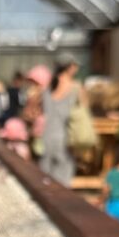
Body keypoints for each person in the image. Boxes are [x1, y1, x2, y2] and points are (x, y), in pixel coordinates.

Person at [40, 54, 84, 186]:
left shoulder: (47, 88)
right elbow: (84, 110)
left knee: (45, 177)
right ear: (70, 67)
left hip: (45, 136)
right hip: (66, 136)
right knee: (64, 177)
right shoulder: (76, 87)